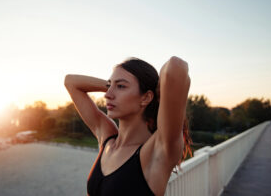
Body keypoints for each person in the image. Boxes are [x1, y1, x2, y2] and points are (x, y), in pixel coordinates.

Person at [64, 56, 192, 196]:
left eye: (121, 86)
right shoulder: (107, 140)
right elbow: (70, 82)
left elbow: (176, 66)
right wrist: (113, 85)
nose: (107, 94)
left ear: (146, 98)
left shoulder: (157, 151)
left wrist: (158, 93)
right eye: (109, 86)